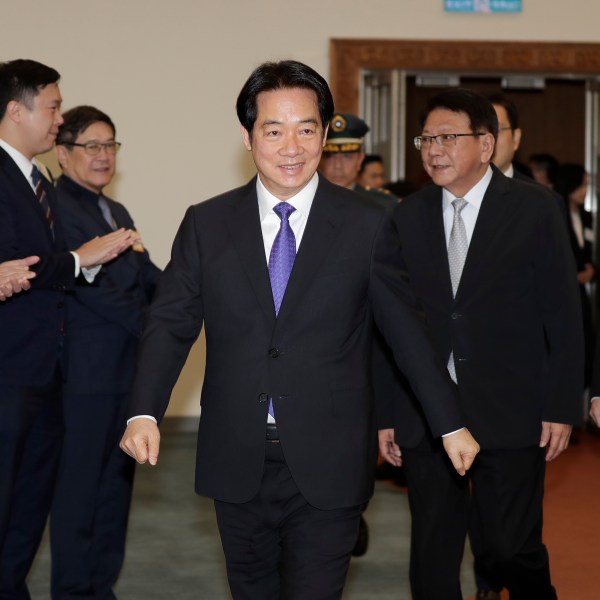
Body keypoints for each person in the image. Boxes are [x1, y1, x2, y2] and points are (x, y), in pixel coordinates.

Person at [120, 60, 479, 600]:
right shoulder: (208, 222)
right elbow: (170, 322)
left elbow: (407, 332)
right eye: (274, 130)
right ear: (247, 137)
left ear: (325, 132)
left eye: (306, 129)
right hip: (236, 454)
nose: (292, 146)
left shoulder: (367, 224)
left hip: (329, 456)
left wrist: (448, 422)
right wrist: (144, 409)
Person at [377, 88, 583, 600]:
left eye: (449, 137)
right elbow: (391, 325)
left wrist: (561, 405)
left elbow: (562, 313)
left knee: (510, 547)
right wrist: (389, 412)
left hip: (510, 408)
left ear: (486, 145)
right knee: (432, 552)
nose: (433, 150)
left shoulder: (537, 209)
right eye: (427, 138)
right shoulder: (407, 214)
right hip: (429, 411)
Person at [0, 59, 137, 597]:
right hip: (11, 374)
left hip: (47, 376)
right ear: (16, 110)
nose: (58, 119)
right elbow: (20, 264)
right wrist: (78, 260)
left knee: (28, 514)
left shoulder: (35, 181)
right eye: (52, 107)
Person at [50, 106, 161, 599]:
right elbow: (89, 291)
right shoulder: (55, 207)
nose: (103, 156)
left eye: (110, 145)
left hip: (126, 376)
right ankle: (74, 590)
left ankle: (102, 586)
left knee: (115, 491)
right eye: (91, 146)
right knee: (78, 492)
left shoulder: (116, 211)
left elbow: (150, 277)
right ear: (62, 153)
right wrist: (151, 327)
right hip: (85, 378)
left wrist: (194, 298)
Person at [553, 163, 595, 388]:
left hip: (582, 293)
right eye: (583, 185)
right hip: (562, 292)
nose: (585, 191)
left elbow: (591, 254)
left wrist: (592, 271)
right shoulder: (556, 213)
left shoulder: (586, 217)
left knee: (586, 342)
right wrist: (572, 276)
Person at [319, 113, 397, 212]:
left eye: (347, 156)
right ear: (320, 160)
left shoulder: (381, 205)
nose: (338, 165)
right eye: (330, 156)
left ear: (360, 160)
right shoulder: (306, 203)